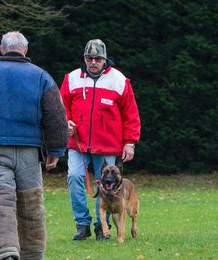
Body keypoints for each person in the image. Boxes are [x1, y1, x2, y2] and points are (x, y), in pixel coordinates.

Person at [0, 31, 68, 260]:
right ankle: (33, 254)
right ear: (25, 50)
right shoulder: (41, 77)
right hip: (30, 153)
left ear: (1, 49)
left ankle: (6, 252)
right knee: (31, 204)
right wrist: (55, 150)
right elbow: (55, 115)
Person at [60, 39, 141, 241]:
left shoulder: (119, 80)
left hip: (107, 145)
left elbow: (130, 113)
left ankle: (100, 227)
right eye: (89, 58)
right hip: (77, 143)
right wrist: (65, 122)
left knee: (107, 185)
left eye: (97, 58)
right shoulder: (71, 78)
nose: (93, 62)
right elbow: (61, 106)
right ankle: (82, 224)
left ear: (104, 59)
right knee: (74, 177)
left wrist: (129, 142)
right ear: (84, 59)